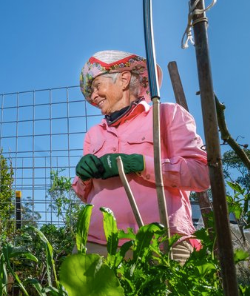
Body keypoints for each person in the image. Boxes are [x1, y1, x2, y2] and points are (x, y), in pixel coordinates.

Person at [72, 50, 210, 262]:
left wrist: (141, 164)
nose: (93, 96)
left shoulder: (166, 115)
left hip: (161, 242)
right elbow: (84, 194)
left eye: (97, 86)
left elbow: (202, 174)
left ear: (124, 79)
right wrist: (83, 178)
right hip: (97, 244)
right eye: (90, 91)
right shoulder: (94, 134)